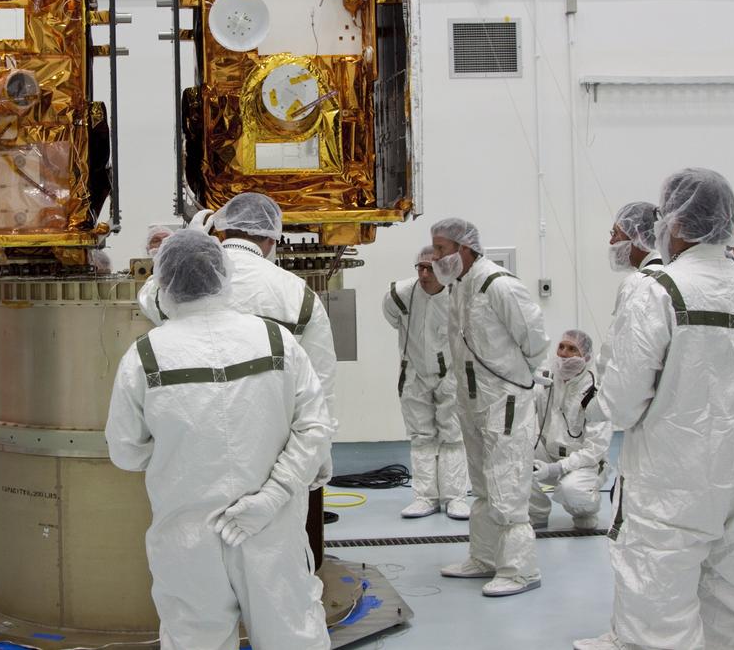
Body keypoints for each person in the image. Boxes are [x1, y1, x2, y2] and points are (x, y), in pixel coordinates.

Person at [574, 168, 734, 650]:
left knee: (660, 620)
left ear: (674, 222)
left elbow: (623, 404)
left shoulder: (659, 289)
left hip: (674, 482)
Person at [106, 229, 334, 650]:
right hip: (271, 527)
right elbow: (315, 428)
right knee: (292, 636)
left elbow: (124, 451)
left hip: (187, 536)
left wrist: (183, 453)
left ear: (163, 281)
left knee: (195, 639)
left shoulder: (145, 356)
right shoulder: (276, 340)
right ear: (224, 274)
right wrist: (272, 495)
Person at [138, 193, 339, 566]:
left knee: (199, 568)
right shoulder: (299, 295)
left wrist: (186, 247)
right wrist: (320, 452)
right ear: (271, 239)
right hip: (274, 457)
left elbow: (149, 300)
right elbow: (320, 386)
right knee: (277, 566)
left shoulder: (187, 283)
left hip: (198, 454)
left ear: (221, 228)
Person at [432, 218, 550, 598]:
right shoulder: (458, 288)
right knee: (482, 484)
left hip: (504, 399)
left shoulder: (499, 285)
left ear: (465, 248)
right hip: (473, 400)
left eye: (441, 249)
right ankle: (483, 557)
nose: (436, 258)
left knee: (506, 484)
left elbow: (534, 339)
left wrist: (514, 379)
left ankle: (520, 570)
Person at [382, 245, 470, 520]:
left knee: (453, 436)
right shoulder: (400, 294)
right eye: (420, 268)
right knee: (421, 437)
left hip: (450, 375)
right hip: (414, 374)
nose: (423, 274)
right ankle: (425, 497)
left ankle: (455, 497)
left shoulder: (460, 296)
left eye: (430, 269)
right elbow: (393, 319)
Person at [529, 330, 610, 531]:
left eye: (572, 349)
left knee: (572, 489)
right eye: (561, 347)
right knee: (514, 457)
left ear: (586, 357)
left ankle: (585, 512)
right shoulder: (547, 383)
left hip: (583, 464)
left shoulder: (595, 392)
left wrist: (557, 468)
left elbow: (594, 449)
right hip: (548, 454)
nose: (564, 353)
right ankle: (536, 512)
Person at [599, 202, 662, 371]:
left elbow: (617, 350)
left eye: (616, 233)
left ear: (638, 235)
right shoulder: (673, 272)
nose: (611, 241)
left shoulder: (637, 283)